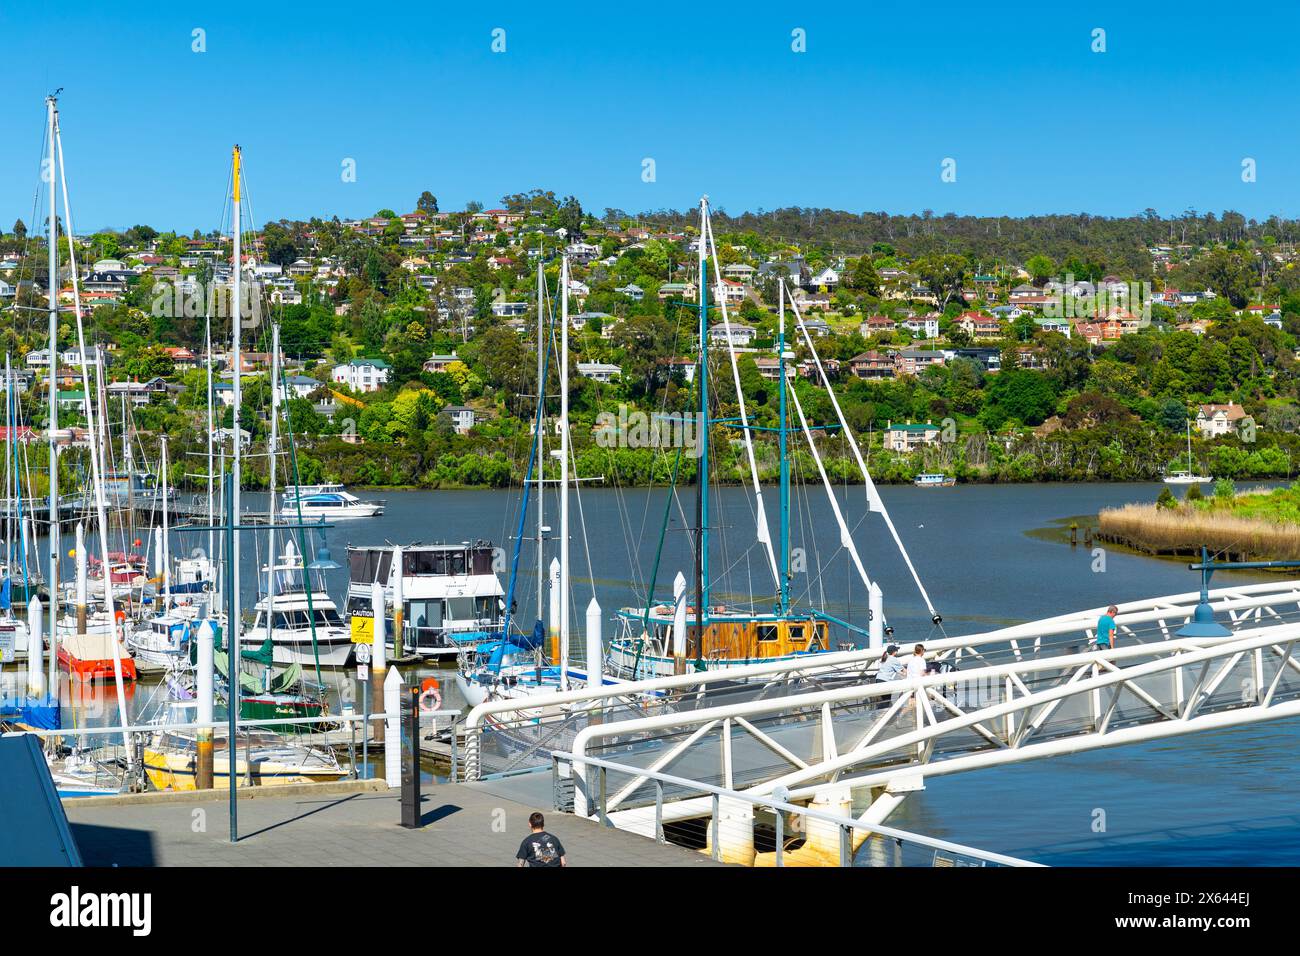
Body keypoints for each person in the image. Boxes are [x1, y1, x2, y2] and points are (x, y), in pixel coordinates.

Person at [873, 645, 905, 709]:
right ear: (894, 652)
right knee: (886, 700)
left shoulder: (886, 658)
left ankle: (880, 714)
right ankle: (882, 716)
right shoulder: (893, 659)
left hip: (878, 679)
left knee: (882, 700)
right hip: (885, 680)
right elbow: (902, 670)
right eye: (896, 650)